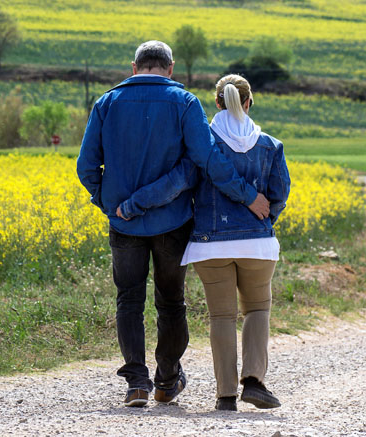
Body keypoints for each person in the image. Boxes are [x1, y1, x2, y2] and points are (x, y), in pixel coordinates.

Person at [76, 41, 270, 408]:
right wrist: (246, 195)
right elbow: (206, 160)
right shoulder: (184, 103)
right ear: (171, 67)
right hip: (173, 222)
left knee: (128, 301)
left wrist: (110, 204)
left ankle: (136, 382)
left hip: (124, 225)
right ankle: (166, 380)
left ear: (134, 67)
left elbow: (86, 167)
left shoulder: (106, 103)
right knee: (171, 302)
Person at [183, 74, 290, 411]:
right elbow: (280, 193)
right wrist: (263, 222)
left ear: (216, 103)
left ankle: (226, 395)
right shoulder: (270, 145)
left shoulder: (203, 145)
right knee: (257, 308)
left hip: (209, 244)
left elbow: (187, 185)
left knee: (222, 317)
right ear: (249, 102)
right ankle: (254, 381)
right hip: (257, 246)